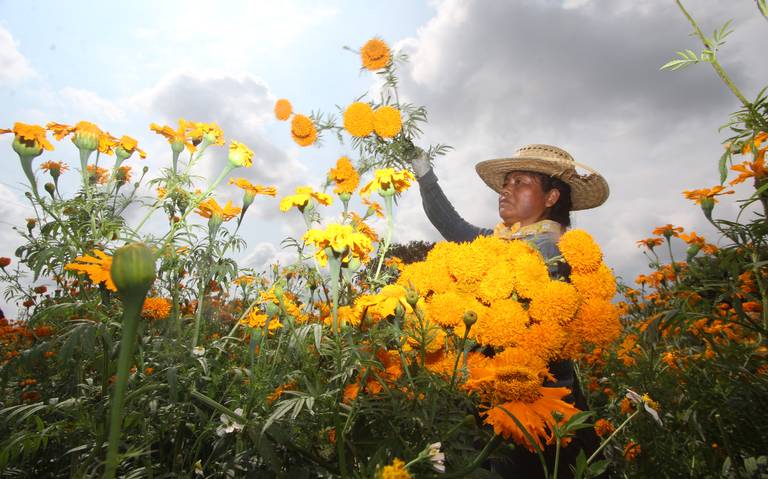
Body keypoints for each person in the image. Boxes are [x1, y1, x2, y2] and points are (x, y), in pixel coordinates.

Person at [409, 143, 610, 478]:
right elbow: (452, 226)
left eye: (521, 182)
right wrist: (424, 174)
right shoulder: (499, 243)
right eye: (506, 182)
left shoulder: (554, 250)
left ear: (551, 198)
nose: (506, 188)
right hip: (493, 398)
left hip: (536, 409)